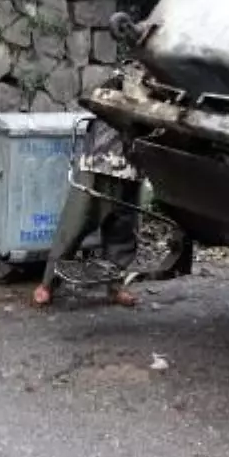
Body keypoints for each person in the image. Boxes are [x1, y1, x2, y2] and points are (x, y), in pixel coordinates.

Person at [33, 109, 143, 309]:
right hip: (103, 154)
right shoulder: (122, 80)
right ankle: (48, 282)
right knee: (76, 221)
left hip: (137, 157)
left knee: (124, 225)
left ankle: (115, 285)